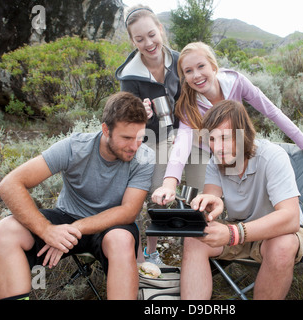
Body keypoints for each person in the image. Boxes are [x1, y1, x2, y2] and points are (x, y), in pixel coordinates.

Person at [0, 92, 155, 300]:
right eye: (127, 138)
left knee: (121, 239)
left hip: (110, 226)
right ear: (106, 130)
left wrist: (74, 230)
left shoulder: (145, 157)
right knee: (3, 231)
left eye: (140, 138)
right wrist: (46, 230)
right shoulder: (74, 147)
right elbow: (9, 185)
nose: (134, 146)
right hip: (67, 216)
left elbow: (128, 211)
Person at [151, 42, 303, 206]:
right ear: (184, 77)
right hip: (204, 149)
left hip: (232, 144)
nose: (196, 75)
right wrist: (169, 184)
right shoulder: (189, 103)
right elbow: (183, 141)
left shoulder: (236, 82)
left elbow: (271, 111)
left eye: (201, 66)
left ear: (213, 66)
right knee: (201, 196)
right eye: (188, 71)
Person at [180, 99, 303, 299]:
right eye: (212, 139)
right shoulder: (216, 162)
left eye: (225, 138)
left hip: (276, 233)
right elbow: (212, 196)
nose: (217, 147)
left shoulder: (272, 157)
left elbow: (290, 217)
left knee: (282, 246)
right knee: (195, 238)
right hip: (238, 228)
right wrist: (209, 203)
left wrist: (234, 233)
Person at [115, 5, 181, 264]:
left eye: (152, 34)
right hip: (153, 137)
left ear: (161, 30)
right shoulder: (130, 76)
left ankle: (199, 246)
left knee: (202, 185)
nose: (148, 43)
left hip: (187, 132)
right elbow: (127, 120)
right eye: (140, 39)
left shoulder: (178, 60)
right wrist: (139, 112)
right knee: (157, 191)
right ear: (132, 41)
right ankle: (150, 252)